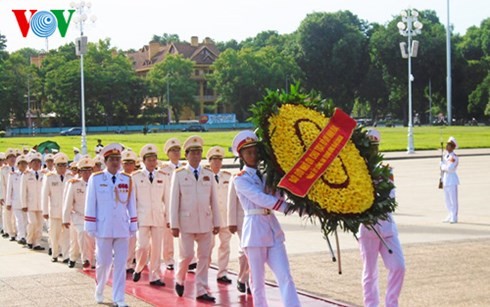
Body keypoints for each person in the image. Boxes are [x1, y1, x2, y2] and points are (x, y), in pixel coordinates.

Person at [231, 130, 301, 307]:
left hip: (272, 230)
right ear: (241, 156)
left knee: (285, 276)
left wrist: (301, 206)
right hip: (254, 233)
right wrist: (287, 208)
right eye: (249, 152)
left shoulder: (267, 175)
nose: (253, 156)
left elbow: (279, 196)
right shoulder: (240, 179)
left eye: (255, 151)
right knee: (258, 281)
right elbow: (260, 198)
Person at [84, 143, 137, 306]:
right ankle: (99, 289)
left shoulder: (127, 179)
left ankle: (119, 298)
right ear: (105, 161)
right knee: (103, 263)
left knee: (121, 264)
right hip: (103, 227)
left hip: (122, 227)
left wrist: (133, 223)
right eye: (112, 159)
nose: (115, 162)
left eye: (118, 159)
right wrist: (90, 225)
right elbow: (90, 202)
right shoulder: (97, 178)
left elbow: (131, 203)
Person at [169, 135, 221, 302]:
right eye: (193, 153)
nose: (196, 156)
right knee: (187, 256)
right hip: (186, 223)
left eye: (199, 153)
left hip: (205, 222)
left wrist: (217, 222)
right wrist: (174, 224)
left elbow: (214, 199)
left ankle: (201, 289)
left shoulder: (208, 173)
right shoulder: (178, 175)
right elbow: (173, 201)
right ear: (186, 155)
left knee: (204, 257)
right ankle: (179, 278)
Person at [358, 129, 405, 307]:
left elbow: (391, 195)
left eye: (376, 146)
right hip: (367, 228)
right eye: (370, 146)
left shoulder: (385, 170)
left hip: (386, 226)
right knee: (370, 273)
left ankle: (391, 303)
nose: (373, 149)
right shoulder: (357, 172)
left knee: (398, 266)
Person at [132, 144, 168, 286]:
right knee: (143, 246)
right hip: (142, 217)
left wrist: (169, 218)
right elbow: (133, 200)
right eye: (149, 160)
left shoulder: (163, 177)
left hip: (158, 217)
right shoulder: (136, 177)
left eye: (154, 160)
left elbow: (167, 199)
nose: (152, 163)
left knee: (157, 248)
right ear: (143, 161)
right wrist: (132, 219)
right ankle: (139, 267)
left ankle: (155, 275)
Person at [206, 146, 234, 284]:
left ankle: (222, 272)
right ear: (209, 161)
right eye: (214, 160)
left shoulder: (227, 176)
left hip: (225, 217)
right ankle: (204, 271)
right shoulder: (204, 177)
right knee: (207, 247)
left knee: (225, 246)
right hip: (210, 219)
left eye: (219, 160)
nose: (217, 163)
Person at [62, 157, 96, 269]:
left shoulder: (96, 184)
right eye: (84, 171)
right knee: (81, 234)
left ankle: (91, 259)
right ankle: (84, 259)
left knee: (90, 239)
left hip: (93, 217)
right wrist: (65, 219)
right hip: (78, 215)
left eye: (89, 170)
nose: (87, 173)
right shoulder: (74, 184)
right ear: (80, 172)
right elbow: (68, 202)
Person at [159, 138, 186, 271]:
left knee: (186, 233)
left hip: (184, 205)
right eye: (172, 151)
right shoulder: (163, 169)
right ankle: (168, 258)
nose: (176, 153)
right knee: (168, 235)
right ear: (167, 154)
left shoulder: (185, 168)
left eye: (177, 150)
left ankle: (186, 258)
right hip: (168, 205)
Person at [42, 153, 74, 262]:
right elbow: (45, 195)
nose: (62, 168)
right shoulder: (49, 177)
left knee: (66, 235)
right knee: (54, 234)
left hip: (67, 211)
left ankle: (66, 256)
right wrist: (45, 211)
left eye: (64, 165)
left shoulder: (70, 176)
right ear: (55, 166)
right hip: (54, 210)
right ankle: (55, 254)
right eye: (59, 165)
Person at [227, 171, 250, 293]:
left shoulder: (261, 175)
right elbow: (231, 201)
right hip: (241, 220)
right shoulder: (237, 177)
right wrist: (232, 222)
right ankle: (242, 277)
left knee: (255, 253)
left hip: (257, 221)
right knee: (244, 251)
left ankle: (250, 280)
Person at [20, 152, 45, 250]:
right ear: (30, 163)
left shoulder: (44, 174)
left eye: (38, 162)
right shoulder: (26, 174)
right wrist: (24, 204)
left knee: (39, 224)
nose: (36, 164)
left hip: (41, 204)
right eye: (34, 162)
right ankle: (29, 240)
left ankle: (37, 243)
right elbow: (23, 191)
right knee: (32, 223)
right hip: (30, 204)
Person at [120, 149, 138, 273]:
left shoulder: (138, 176)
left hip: (137, 212)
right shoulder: (119, 177)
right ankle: (125, 262)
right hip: (122, 213)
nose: (128, 166)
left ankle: (130, 261)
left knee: (134, 239)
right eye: (126, 163)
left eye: (131, 163)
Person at [6, 154, 29, 245]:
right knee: (19, 220)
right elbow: (9, 189)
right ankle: (21, 236)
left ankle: (26, 236)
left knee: (26, 220)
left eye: (24, 163)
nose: (23, 165)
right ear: (18, 165)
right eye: (21, 163)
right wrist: (8, 202)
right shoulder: (13, 175)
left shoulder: (28, 175)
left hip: (27, 201)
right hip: (16, 201)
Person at [440, 136, 460, 224]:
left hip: (452, 179)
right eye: (447, 145)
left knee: (453, 199)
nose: (447, 147)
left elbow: (450, 168)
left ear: (453, 147)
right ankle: (450, 213)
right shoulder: (446, 156)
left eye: (449, 145)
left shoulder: (453, 157)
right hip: (445, 179)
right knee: (447, 199)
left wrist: (442, 166)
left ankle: (454, 216)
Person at [1, 148, 18, 240]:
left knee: (16, 215)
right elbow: (2, 184)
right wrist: (2, 196)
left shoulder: (18, 168)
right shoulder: (3, 170)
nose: (12, 159)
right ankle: (10, 232)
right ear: (6, 160)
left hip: (16, 195)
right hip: (6, 195)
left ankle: (16, 231)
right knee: (7, 214)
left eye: (13, 157)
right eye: (10, 157)